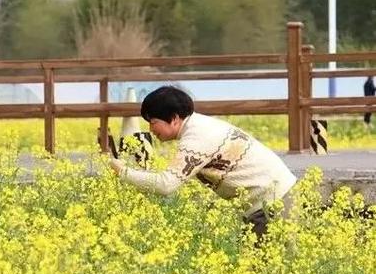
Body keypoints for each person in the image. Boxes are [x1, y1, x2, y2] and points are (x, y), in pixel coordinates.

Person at [109, 86, 297, 241]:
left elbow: (166, 185)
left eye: (154, 122)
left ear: (174, 118)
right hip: (271, 197)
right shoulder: (199, 126)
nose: (150, 129)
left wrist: (123, 172)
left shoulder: (197, 138)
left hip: (273, 202)